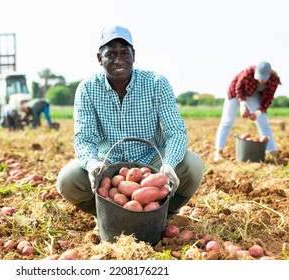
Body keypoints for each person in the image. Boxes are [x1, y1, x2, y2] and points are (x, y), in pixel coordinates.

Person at [56, 25, 205, 226]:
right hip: (107, 164)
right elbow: (84, 138)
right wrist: (92, 165)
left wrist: (168, 163)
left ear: (133, 55)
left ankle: (162, 216)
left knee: (193, 165)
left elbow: (176, 131)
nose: (119, 60)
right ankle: (108, 217)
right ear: (99, 58)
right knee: (68, 180)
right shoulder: (87, 89)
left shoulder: (156, 83)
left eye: (125, 53)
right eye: (111, 54)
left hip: (151, 163)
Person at [214, 62, 281, 162]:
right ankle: (218, 152)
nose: (261, 80)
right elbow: (239, 88)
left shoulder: (273, 81)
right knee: (227, 121)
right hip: (235, 92)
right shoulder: (249, 71)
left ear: (269, 75)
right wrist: (242, 105)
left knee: (263, 121)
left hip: (253, 94)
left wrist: (257, 113)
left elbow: (268, 99)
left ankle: (272, 151)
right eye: (259, 77)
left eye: (264, 78)